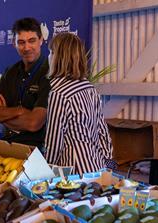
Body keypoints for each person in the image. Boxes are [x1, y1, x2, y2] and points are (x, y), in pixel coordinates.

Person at [44, 32, 113, 174]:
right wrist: (108, 160)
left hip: (73, 173)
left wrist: (45, 172)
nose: (49, 57)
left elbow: (54, 142)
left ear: (58, 58)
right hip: (97, 167)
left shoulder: (59, 93)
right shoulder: (89, 87)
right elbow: (102, 130)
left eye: (51, 52)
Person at [0, 17, 50, 149]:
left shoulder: (50, 72)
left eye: (32, 41)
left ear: (41, 40)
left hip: (37, 150)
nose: (26, 48)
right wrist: (20, 111)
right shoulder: (11, 71)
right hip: (8, 144)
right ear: (14, 44)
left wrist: (3, 114)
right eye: (21, 42)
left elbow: (34, 123)